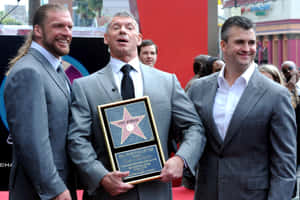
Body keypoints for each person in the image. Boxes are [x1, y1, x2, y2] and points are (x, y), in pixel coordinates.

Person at [67, 11, 206, 200]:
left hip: (155, 191)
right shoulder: (85, 86)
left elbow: (193, 127)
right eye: (116, 27)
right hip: (106, 194)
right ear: (106, 38)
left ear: (139, 38)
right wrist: (100, 176)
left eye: (129, 27)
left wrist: (182, 159)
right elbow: (77, 138)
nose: (122, 31)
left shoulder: (167, 82)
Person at [188, 16, 297, 200]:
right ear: (223, 45)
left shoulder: (276, 95)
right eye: (240, 42)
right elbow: (186, 134)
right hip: (207, 193)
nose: (247, 49)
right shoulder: (198, 89)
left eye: (251, 42)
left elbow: (285, 163)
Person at [4, 4, 76, 200]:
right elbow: (32, 143)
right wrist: (55, 190)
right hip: (42, 193)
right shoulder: (29, 72)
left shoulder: (56, 70)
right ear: (37, 30)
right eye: (58, 26)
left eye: (69, 27)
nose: (66, 33)